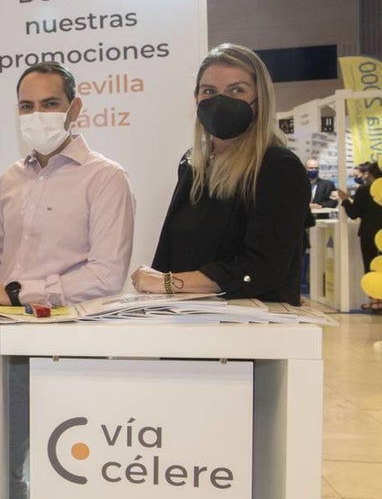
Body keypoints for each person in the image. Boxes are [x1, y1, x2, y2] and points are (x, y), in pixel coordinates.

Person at [0, 61, 135, 499]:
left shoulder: (106, 177)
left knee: (74, 464)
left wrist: (19, 293)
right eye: (26, 106)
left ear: (75, 109)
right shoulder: (10, 178)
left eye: (49, 104)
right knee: (6, 458)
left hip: (74, 348)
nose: (37, 116)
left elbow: (107, 273)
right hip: (8, 345)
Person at [132, 43, 311, 305]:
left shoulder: (278, 167)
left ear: (259, 99)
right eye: (209, 91)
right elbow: (172, 249)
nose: (220, 101)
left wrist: (170, 283)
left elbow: (264, 268)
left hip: (250, 327)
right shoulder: (193, 164)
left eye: (237, 90)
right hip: (187, 321)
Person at [338, 161, 382, 312]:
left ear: (369, 174)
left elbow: (354, 213)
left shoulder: (364, 191)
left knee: (371, 266)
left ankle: (375, 302)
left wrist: (345, 200)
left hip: (369, 234)